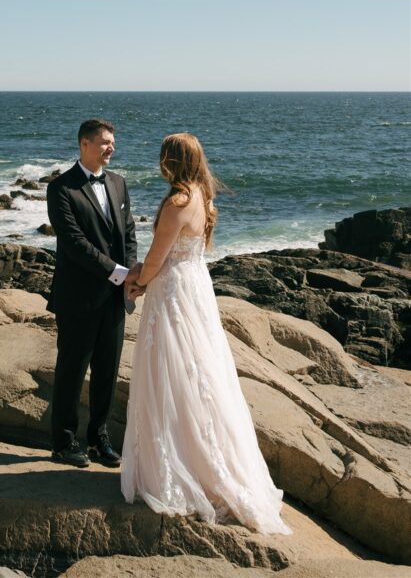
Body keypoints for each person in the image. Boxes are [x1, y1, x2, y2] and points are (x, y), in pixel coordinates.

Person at [120, 133, 291, 535]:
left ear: (170, 161)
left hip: (173, 293)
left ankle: (178, 470)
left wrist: (138, 281)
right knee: (201, 375)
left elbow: (156, 258)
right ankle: (207, 461)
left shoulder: (176, 202)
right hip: (195, 286)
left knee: (169, 375)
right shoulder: (202, 196)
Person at [46, 119, 140, 468]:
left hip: (115, 298)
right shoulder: (60, 188)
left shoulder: (118, 183)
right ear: (84, 144)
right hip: (77, 297)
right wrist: (118, 272)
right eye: (103, 142)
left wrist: (131, 274)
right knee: (71, 370)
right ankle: (64, 442)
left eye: (112, 142)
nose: (110, 147)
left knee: (107, 371)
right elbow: (74, 243)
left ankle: (99, 438)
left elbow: (127, 233)